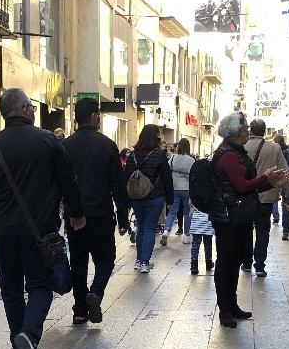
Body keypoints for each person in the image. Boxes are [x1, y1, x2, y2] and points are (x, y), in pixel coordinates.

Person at [0, 88, 84, 349]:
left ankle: (18, 344)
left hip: (5, 232)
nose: (34, 110)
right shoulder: (47, 140)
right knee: (40, 286)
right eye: (32, 106)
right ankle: (30, 336)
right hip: (41, 231)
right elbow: (68, 180)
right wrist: (76, 214)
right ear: (24, 108)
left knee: (11, 288)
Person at [210, 111, 289, 327]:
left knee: (235, 261)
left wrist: (272, 182)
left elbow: (248, 188)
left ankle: (232, 305)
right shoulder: (228, 155)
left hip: (239, 215)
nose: (248, 130)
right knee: (226, 262)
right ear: (236, 131)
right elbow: (241, 186)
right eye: (245, 127)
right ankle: (224, 310)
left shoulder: (238, 152)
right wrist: (265, 177)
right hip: (227, 217)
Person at [61, 96, 129, 326]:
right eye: (98, 114)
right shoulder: (107, 145)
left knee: (78, 263)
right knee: (106, 258)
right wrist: (123, 218)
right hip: (101, 213)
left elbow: (58, 183)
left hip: (74, 216)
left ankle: (80, 310)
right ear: (93, 116)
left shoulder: (65, 146)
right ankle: (96, 292)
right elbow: (117, 185)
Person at [243, 119, 289, 276]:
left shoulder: (242, 146)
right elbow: (285, 174)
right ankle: (259, 266)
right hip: (266, 197)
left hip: (245, 196)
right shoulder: (274, 148)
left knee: (246, 230)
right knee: (263, 231)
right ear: (264, 131)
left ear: (251, 130)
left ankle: (246, 262)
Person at [124, 124, 173, 272]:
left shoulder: (133, 155)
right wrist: (170, 198)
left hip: (136, 197)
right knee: (150, 227)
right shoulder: (159, 154)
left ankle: (139, 260)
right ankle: (145, 262)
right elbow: (167, 177)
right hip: (155, 196)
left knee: (141, 226)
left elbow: (127, 177)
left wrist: (126, 199)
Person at [163, 138, 195, 245]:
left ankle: (166, 231)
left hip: (174, 188)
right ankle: (186, 236)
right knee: (187, 213)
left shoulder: (173, 158)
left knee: (172, 211)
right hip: (187, 189)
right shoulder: (191, 160)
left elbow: (166, 171)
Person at [188, 201, 215, 276]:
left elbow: (190, 204)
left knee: (195, 244)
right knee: (208, 244)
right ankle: (208, 263)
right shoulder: (211, 194)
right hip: (208, 221)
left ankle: (194, 266)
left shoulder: (195, 194)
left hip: (196, 221)